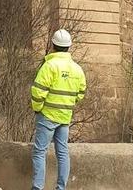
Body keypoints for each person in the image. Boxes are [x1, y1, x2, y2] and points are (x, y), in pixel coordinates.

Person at [30, 29, 86, 190]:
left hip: (47, 115)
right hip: (65, 116)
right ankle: (61, 187)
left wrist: (38, 108)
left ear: (53, 45)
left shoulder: (49, 66)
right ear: (69, 47)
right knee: (62, 152)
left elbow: (38, 91)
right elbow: (81, 92)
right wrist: (68, 104)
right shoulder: (77, 69)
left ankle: (37, 187)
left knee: (40, 152)